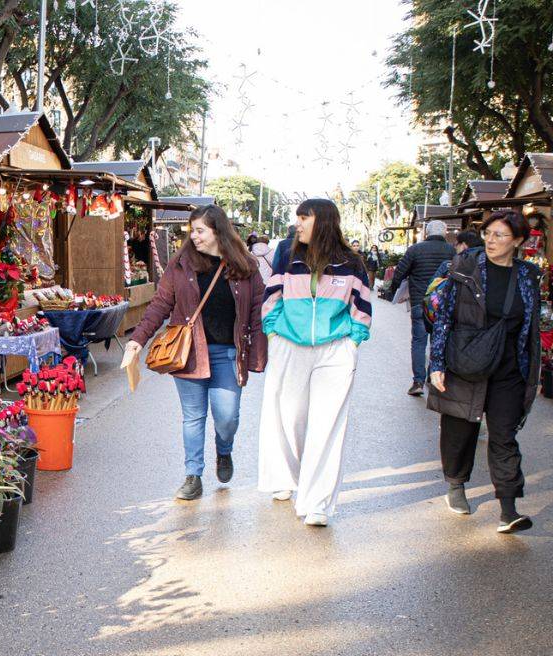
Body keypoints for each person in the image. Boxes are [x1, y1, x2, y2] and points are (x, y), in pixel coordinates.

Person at [123, 205, 268, 501]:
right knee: (193, 417)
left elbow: (257, 312)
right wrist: (137, 340)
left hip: (228, 354)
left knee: (227, 418)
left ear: (218, 231)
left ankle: (223, 449)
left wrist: (257, 355)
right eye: (193, 231)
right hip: (189, 354)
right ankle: (193, 475)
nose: (194, 236)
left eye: (200, 231)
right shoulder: (181, 264)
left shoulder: (245, 266)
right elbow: (160, 304)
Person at [259, 198, 371, 527]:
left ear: (323, 222)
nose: (298, 224)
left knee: (328, 424)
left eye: (304, 218)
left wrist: (352, 342)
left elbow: (362, 305)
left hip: (335, 350)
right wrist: (273, 333)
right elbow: (272, 295)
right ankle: (286, 478)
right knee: (287, 416)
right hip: (289, 344)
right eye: (297, 218)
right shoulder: (287, 253)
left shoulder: (351, 262)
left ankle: (317, 502)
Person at [428, 211, 541, 533]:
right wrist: (437, 364)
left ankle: (508, 509)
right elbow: (444, 317)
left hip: (509, 369)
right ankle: (456, 484)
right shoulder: (465, 267)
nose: (491, 241)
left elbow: (531, 328)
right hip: (466, 361)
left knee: (504, 436)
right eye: (488, 233)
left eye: (499, 235)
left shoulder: (528, 276)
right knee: (460, 431)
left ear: (518, 241)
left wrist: (534, 372)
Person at [389, 220, 456, 397]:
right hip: (444, 305)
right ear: (445, 232)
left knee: (419, 342)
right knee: (438, 341)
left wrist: (394, 290)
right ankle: (433, 376)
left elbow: (400, 272)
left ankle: (418, 381)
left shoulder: (415, 250)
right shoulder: (452, 251)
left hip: (420, 301)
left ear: (427, 233)